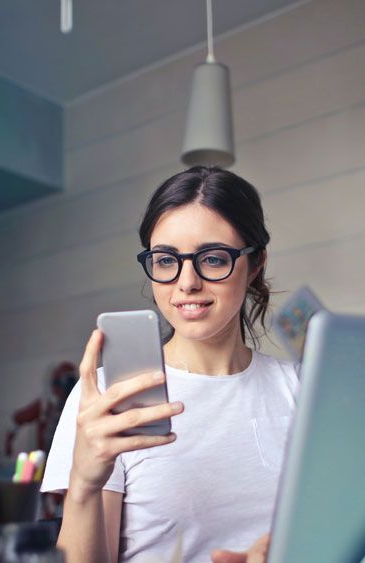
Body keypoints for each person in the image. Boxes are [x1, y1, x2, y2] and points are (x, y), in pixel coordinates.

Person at [41, 167, 299, 563]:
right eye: (166, 260)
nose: (187, 282)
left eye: (213, 258)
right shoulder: (111, 397)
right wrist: (84, 485)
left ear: (255, 263)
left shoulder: (301, 390)